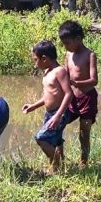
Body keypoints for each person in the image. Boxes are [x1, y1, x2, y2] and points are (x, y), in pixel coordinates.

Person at [22, 40, 73, 174]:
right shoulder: (47, 73)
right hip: (50, 112)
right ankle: (59, 167)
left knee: (41, 138)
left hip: (60, 113)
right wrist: (33, 106)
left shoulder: (59, 71)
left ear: (44, 59)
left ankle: (57, 165)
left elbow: (69, 94)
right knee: (56, 140)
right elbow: (49, 96)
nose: (35, 64)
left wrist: (58, 116)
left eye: (35, 60)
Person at [59, 20, 98, 168]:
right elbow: (65, 74)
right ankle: (59, 158)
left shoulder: (90, 55)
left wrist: (76, 83)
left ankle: (83, 161)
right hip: (71, 98)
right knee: (59, 124)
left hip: (87, 97)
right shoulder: (68, 54)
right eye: (64, 43)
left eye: (68, 43)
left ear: (78, 39)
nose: (66, 46)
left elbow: (94, 80)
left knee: (84, 131)